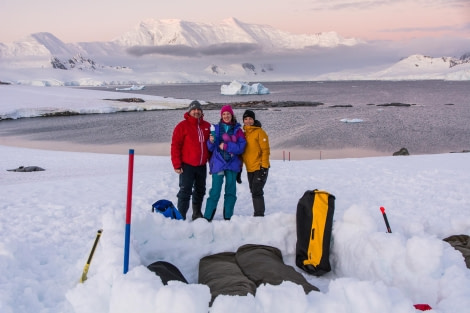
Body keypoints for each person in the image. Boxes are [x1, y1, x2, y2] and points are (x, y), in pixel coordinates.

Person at [204, 105, 246, 221]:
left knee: (230, 192)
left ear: (232, 115)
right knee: (215, 191)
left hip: (232, 164)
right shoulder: (216, 128)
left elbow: (241, 148)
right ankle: (207, 217)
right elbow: (211, 148)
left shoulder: (238, 130)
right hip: (218, 163)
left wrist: (227, 146)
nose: (226, 116)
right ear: (221, 116)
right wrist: (211, 142)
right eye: (224, 114)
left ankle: (228, 217)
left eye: (228, 113)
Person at [171, 100, 211, 220]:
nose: (196, 111)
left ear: (201, 112)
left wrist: (212, 164)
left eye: (199, 109)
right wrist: (177, 164)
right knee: (185, 191)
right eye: (194, 109)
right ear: (189, 111)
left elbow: (210, 147)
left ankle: (196, 214)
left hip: (201, 165)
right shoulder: (182, 126)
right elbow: (175, 146)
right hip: (187, 165)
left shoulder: (207, 126)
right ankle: (181, 215)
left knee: (200, 190)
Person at [241, 109, 270, 217]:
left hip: (260, 167)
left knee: (257, 191)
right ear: (243, 121)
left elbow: (265, 151)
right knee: (253, 191)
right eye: (246, 119)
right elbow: (243, 153)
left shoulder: (260, 132)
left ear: (254, 119)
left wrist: (264, 167)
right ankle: (258, 213)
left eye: (250, 118)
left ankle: (259, 215)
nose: (248, 121)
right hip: (250, 168)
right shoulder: (244, 134)